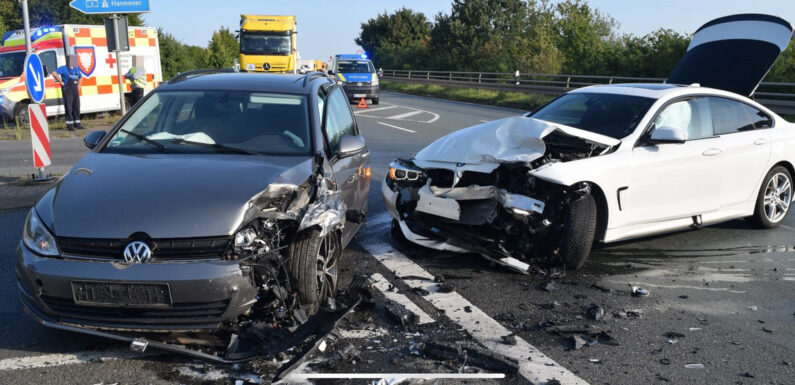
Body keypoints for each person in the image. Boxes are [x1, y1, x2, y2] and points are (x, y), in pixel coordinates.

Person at [52, 55, 83, 131]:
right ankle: (70, 125)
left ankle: (77, 124)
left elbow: (81, 77)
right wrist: (60, 81)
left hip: (75, 91)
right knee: (69, 108)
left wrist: (79, 86)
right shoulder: (64, 68)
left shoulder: (76, 69)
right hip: (67, 90)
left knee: (76, 107)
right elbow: (54, 73)